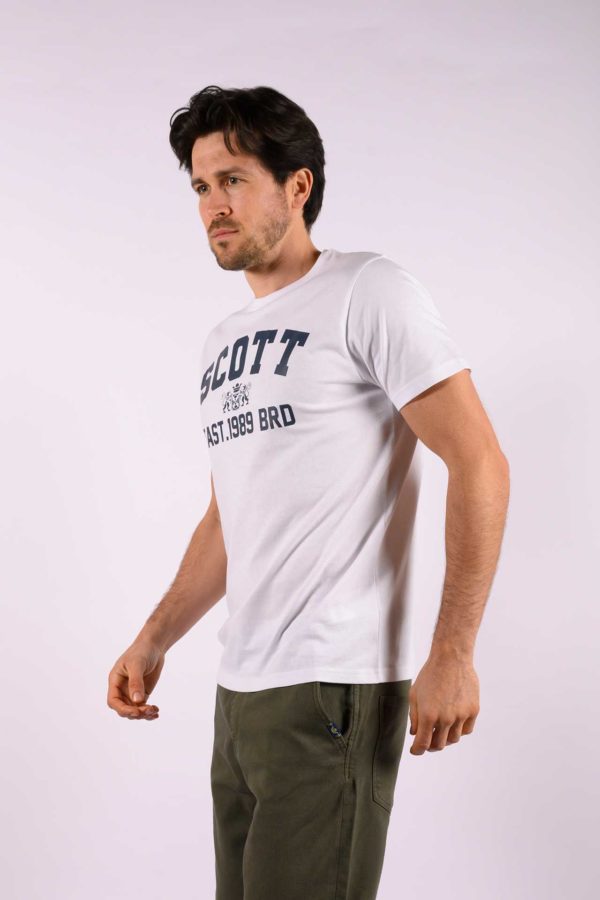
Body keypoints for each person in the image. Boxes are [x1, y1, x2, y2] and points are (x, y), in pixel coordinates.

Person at [107, 85, 510, 900]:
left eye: (233, 179)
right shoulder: (222, 343)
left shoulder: (369, 290)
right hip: (241, 692)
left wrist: (454, 654)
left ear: (298, 186)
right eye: (200, 185)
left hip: (332, 687)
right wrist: (155, 637)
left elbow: (479, 461)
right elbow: (229, 517)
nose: (213, 205)